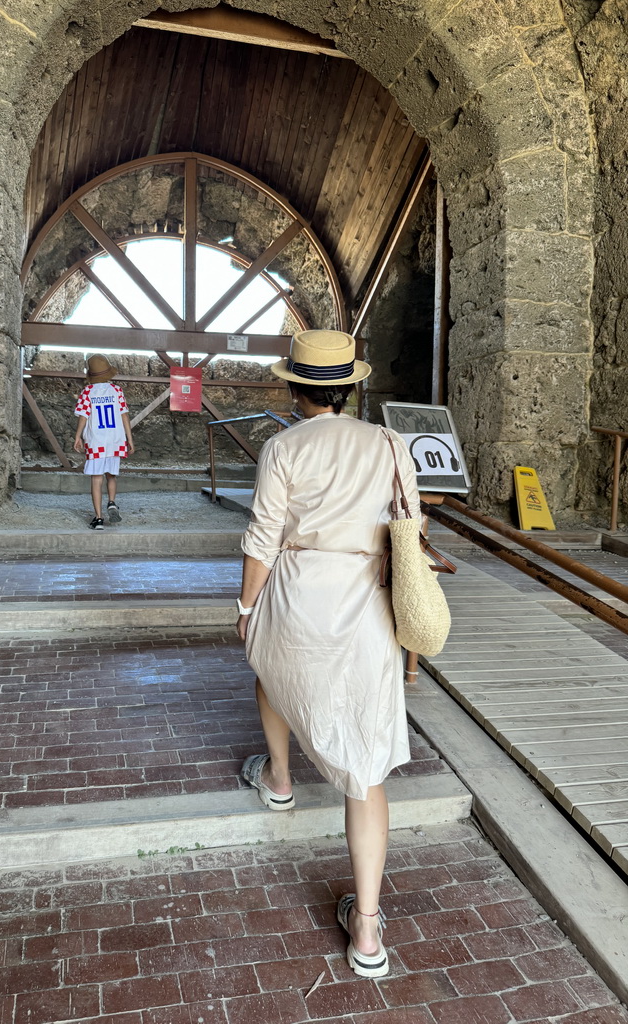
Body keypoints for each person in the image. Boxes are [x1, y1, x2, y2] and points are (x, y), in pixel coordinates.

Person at [237, 329, 419, 979]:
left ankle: (280, 781)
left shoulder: (282, 446)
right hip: (366, 601)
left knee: (269, 665)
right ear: (349, 386)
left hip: (296, 590)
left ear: (294, 386)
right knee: (365, 762)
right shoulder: (389, 443)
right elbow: (410, 524)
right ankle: (367, 931)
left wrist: (245, 608)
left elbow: (262, 538)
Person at [73, 354, 135, 529]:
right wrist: (130, 439)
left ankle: (98, 519)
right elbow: (124, 415)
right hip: (115, 439)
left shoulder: (87, 392)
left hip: (96, 441)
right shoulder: (117, 390)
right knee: (111, 475)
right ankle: (112, 502)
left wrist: (77, 436)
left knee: (96, 478)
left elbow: (84, 417)